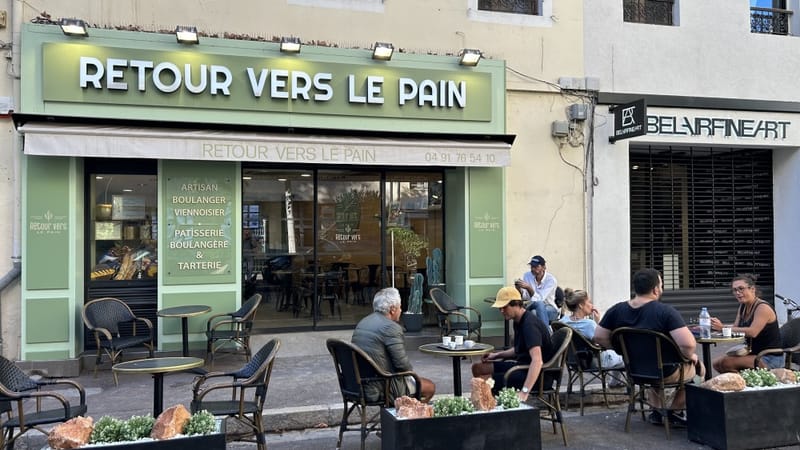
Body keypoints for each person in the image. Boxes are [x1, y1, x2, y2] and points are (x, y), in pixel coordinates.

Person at [594, 268, 704, 427]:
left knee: (657, 366)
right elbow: (688, 344)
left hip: (634, 371)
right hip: (665, 371)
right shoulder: (665, 312)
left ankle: (658, 412)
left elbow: (599, 336)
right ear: (655, 289)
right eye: (661, 285)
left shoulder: (616, 310)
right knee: (699, 370)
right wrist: (688, 356)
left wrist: (622, 350)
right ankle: (674, 411)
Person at [351, 287, 436, 403]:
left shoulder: (363, 322)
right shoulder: (391, 328)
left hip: (358, 384)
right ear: (392, 309)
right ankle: (411, 417)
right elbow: (402, 365)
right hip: (383, 386)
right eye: (400, 307)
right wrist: (412, 376)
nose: (401, 310)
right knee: (430, 387)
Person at [471, 286, 553, 402]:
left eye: (504, 307)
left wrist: (524, 392)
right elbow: (519, 349)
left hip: (538, 375)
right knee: (478, 368)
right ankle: (490, 402)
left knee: (483, 381)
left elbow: (537, 360)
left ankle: (490, 409)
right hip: (521, 366)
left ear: (516, 304)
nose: (501, 311)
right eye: (500, 308)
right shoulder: (517, 320)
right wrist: (496, 355)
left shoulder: (529, 325)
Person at [710, 273, 784, 373]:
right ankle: (741, 383)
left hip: (769, 357)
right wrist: (717, 326)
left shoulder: (762, 308)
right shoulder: (743, 306)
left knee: (726, 363)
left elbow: (753, 332)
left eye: (741, 288)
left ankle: (744, 384)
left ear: (752, 289)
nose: (738, 293)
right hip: (752, 353)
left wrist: (723, 328)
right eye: (735, 290)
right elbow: (735, 327)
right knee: (717, 363)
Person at [558, 288, 625, 380]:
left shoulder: (562, 322)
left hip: (573, 362)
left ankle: (615, 382)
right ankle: (621, 384)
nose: (592, 305)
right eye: (589, 302)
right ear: (581, 305)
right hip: (594, 362)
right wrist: (598, 323)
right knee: (624, 356)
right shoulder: (589, 324)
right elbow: (601, 341)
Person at [515, 255, 560, 326]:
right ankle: (546, 334)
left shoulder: (551, 280)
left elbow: (540, 299)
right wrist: (518, 288)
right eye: (532, 266)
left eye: (536, 267)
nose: (533, 269)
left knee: (535, 310)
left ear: (544, 267)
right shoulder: (527, 275)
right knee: (523, 311)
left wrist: (529, 288)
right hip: (531, 305)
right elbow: (525, 297)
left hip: (549, 308)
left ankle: (545, 334)